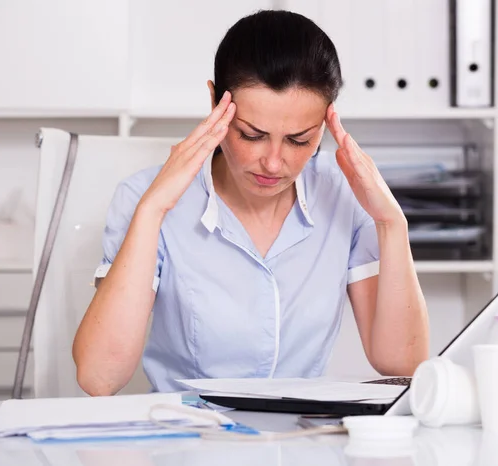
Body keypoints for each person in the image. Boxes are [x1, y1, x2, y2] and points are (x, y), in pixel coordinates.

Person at [73, 9, 429, 396]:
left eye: (299, 139)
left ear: (327, 123)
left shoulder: (343, 193)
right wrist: (152, 210)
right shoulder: (144, 198)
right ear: (215, 105)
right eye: (251, 134)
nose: (274, 163)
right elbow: (98, 378)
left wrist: (392, 223)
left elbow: (402, 364)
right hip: (188, 442)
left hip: (302, 441)